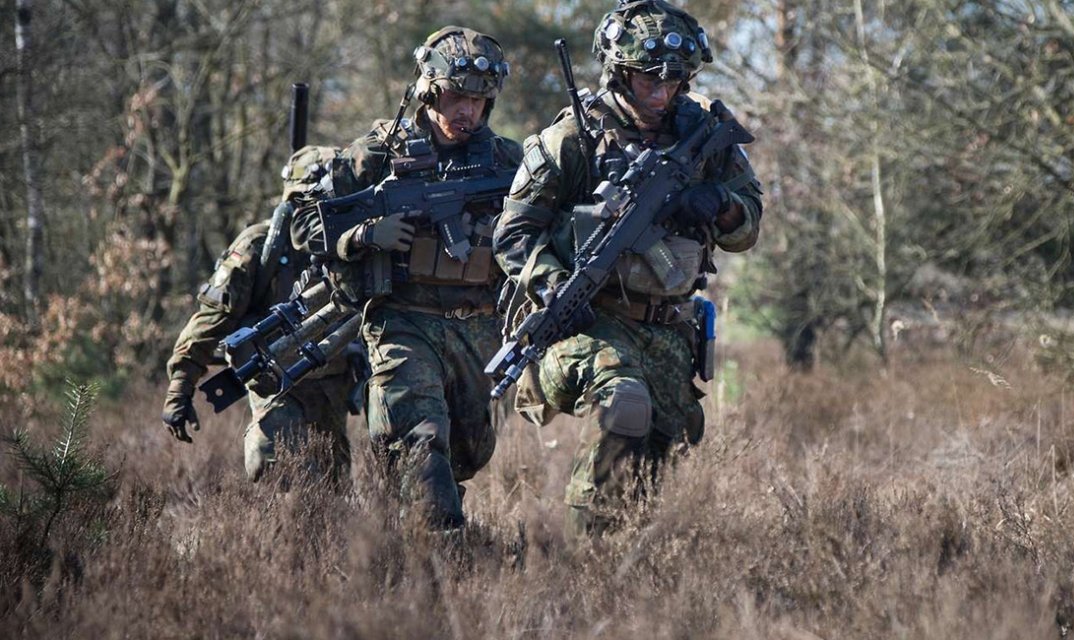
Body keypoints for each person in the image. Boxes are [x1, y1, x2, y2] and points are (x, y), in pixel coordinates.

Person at [493, 0, 764, 537]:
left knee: (666, 444)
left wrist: (718, 203)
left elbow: (747, 226)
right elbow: (514, 234)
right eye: (647, 80)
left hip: (667, 326)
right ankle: (580, 558)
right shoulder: (573, 138)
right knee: (625, 405)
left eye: (673, 80)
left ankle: (624, 574)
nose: (660, 93)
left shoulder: (704, 134)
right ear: (618, 72)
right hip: (585, 318)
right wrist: (551, 286)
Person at [290, 27, 522, 529]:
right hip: (403, 322)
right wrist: (366, 235)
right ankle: (442, 561)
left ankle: (410, 530)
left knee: (467, 453)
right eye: (458, 96)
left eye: (479, 100)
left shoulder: (508, 160)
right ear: (430, 91)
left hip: (479, 328)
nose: (468, 110)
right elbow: (304, 223)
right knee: (419, 440)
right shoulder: (380, 152)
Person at [162, 144, 358, 483]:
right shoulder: (258, 247)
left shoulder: (354, 245)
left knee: (332, 488)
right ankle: (267, 534)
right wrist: (180, 387)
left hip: (333, 386)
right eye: (309, 202)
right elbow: (211, 320)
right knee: (276, 470)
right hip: (274, 382)